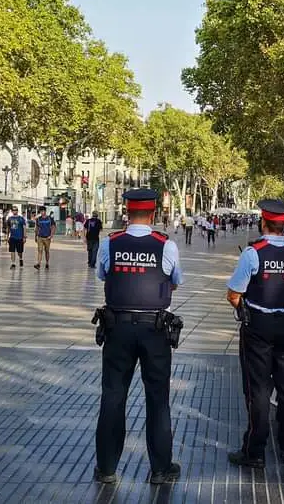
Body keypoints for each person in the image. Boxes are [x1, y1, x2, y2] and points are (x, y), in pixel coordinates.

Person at [94, 189, 183, 485]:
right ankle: (160, 469)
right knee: (158, 399)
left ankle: (106, 468)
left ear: (126, 212)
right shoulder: (165, 246)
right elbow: (175, 281)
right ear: (154, 213)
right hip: (155, 330)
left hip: (117, 328)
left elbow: (103, 275)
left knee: (113, 396)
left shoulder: (111, 243)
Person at [226, 199, 284, 469]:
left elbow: (233, 295)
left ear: (263, 222)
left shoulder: (253, 253)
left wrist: (249, 310)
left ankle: (255, 451)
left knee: (258, 389)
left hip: (259, 327)